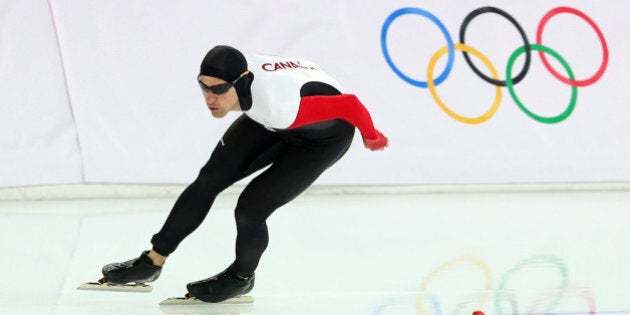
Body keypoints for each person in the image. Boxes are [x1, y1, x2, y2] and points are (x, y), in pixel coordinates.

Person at [101, 45, 389, 303]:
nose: (210, 97)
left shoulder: (280, 105)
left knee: (251, 209)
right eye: (204, 87)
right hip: (270, 119)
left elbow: (350, 105)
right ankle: (152, 262)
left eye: (219, 89)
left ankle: (241, 279)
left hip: (322, 138)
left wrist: (372, 136)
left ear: (241, 82)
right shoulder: (245, 80)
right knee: (207, 181)